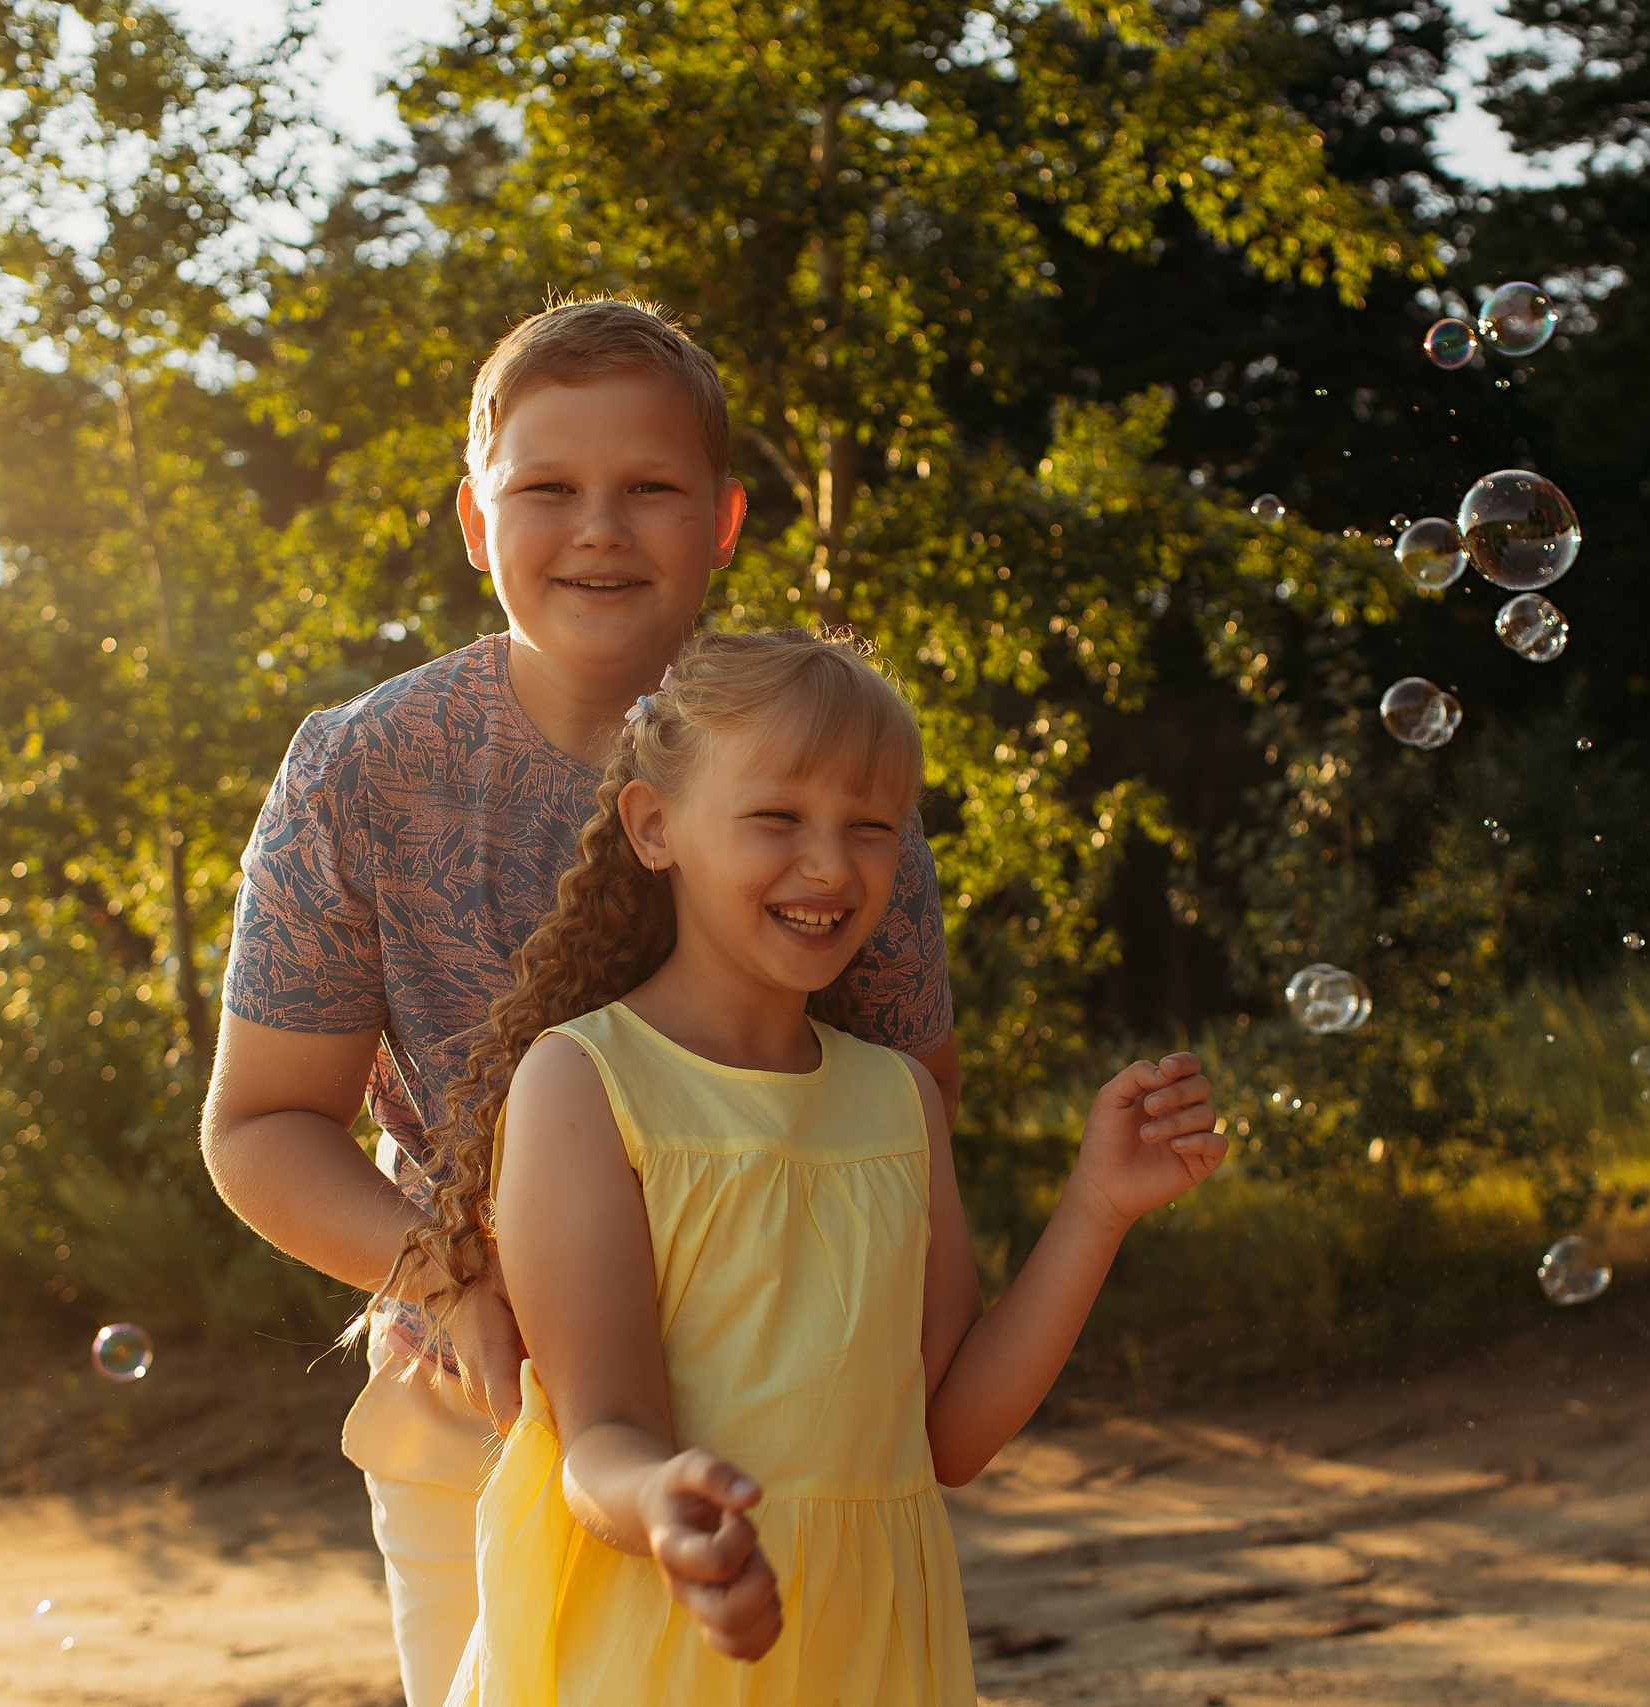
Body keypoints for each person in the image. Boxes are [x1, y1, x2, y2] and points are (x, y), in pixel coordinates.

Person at [198, 299, 960, 1707]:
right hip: (481, 1415)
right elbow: (261, 1125)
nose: (599, 529)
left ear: (722, 521)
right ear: (475, 521)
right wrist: (448, 1274)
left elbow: (907, 1112)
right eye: (547, 487)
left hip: (785, 1427)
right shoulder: (364, 770)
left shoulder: (827, 764)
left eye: (649, 488)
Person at [378, 630, 1224, 1705]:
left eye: (870, 829)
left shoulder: (898, 1099)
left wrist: (1096, 1208)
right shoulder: (585, 1084)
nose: (829, 865)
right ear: (654, 825)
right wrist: (666, 1502)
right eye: (777, 818)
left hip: (869, 1655)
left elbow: (952, 1432)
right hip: (655, 1653)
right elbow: (600, 1438)